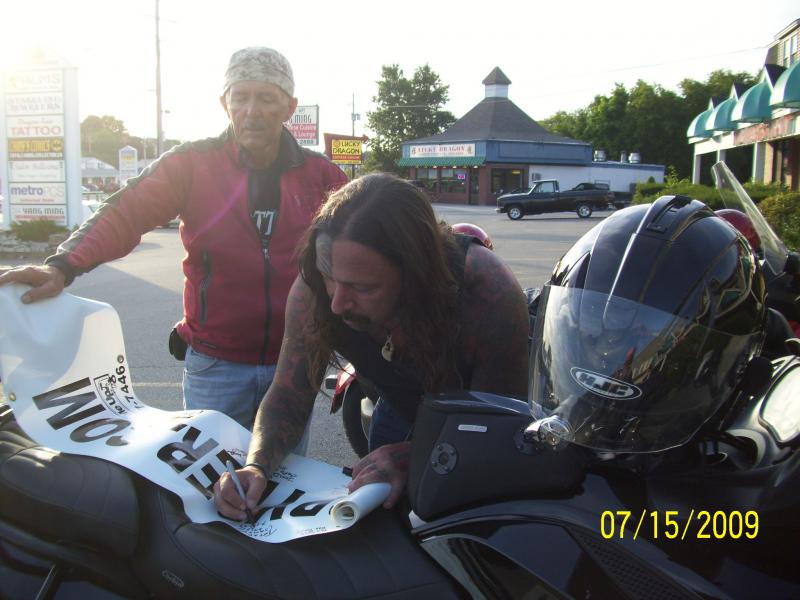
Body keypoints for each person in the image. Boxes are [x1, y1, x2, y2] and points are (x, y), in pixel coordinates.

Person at [0, 47, 348, 433]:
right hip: (216, 366)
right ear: (224, 103)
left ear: (289, 107)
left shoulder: (322, 176)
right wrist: (62, 266)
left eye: (266, 98)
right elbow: (124, 212)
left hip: (294, 362)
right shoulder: (191, 164)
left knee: (282, 466)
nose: (252, 110)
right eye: (241, 97)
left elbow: (365, 241)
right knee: (207, 468)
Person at [214, 173, 530, 518]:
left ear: (416, 275)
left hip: (468, 423)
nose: (337, 304)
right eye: (329, 277)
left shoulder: (488, 293)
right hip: (395, 411)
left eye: (362, 288)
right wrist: (256, 466)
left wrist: (414, 455)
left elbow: (496, 431)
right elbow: (290, 393)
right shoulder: (314, 291)